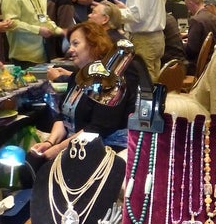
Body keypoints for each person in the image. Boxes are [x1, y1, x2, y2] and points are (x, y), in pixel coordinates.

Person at [31, 21, 141, 160]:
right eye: (70, 44)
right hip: (75, 147)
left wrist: (57, 150)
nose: (70, 49)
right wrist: (49, 143)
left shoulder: (111, 80)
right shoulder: (79, 76)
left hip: (105, 151)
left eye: (75, 44)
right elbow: (62, 118)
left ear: (93, 44)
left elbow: (97, 129)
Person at [183, 0, 216, 74]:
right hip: (214, 61)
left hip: (200, 65)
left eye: (187, 6)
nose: (189, 10)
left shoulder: (196, 20)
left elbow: (191, 50)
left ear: (190, 3)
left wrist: (180, 44)